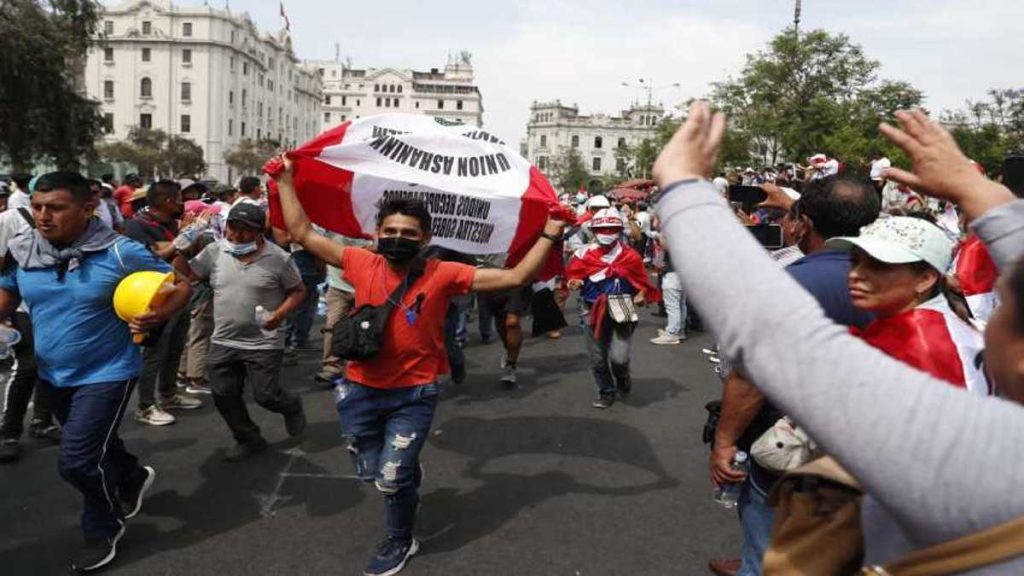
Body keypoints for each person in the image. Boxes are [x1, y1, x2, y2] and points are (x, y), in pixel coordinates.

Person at [654, 102, 1024, 572]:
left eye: (1004, 310)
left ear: (925, 278)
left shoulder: (975, 441)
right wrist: (973, 189)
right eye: (858, 261)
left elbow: (769, 330)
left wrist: (683, 186)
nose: (860, 275)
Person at [273, 155, 566, 576]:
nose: (397, 238)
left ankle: (400, 539)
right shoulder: (360, 262)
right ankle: (404, 469)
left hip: (414, 393)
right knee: (370, 471)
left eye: (408, 233)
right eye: (389, 231)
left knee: (391, 479)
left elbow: (515, 277)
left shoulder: (444, 273)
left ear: (424, 237)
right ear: (376, 233)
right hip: (356, 390)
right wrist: (285, 180)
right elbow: (301, 232)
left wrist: (551, 233)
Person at [0, 171, 192, 572]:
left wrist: (158, 315)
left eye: (55, 208)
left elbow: (180, 285)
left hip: (108, 371)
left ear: (88, 209)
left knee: (77, 460)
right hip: (53, 373)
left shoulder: (120, 252)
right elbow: (7, 293)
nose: (43, 216)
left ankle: (103, 526)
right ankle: (132, 476)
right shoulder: (22, 250)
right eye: (36, 207)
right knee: (96, 444)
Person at [710, 175, 879, 576]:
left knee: (767, 553)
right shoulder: (903, 279)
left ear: (802, 223)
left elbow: (749, 379)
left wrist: (724, 442)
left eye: (791, 218)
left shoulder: (787, 283)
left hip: (791, 445)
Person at [175, 202, 308, 461]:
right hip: (224, 339)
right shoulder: (215, 251)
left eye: (245, 230)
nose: (236, 235)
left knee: (265, 395)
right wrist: (181, 244)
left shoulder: (279, 258)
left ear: (260, 232)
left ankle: (291, 406)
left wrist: (279, 315)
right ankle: (248, 438)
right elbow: (184, 276)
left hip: (264, 341)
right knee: (224, 394)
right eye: (232, 228)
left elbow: (299, 290)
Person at [828, 216, 990, 394]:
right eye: (854, 261)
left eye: (878, 265)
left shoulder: (914, 341)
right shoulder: (930, 326)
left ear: (925, 279)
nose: (855, 274)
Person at [122, 181, 204, 426]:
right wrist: (181, 239)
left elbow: (183, 254)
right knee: (154, 353)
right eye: (179, 199)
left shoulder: (170, 224)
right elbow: (150, 258)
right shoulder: (138, 226)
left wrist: (193, 236)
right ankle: (145, 405)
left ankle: (168, 395)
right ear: (168, 200)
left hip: (179, 293)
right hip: (156, 297)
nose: (182, 204)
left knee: (175, 348)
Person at [566, 207, 658, 409]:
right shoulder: (582, 254)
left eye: (612, 228)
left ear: (619, 229)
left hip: (622, 308)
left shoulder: (630, 256)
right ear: (593, 230)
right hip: (591, 310)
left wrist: (641, 295)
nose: (607, 233)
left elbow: (641, 282)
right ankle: (606, 391)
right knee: (597, 358)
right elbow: (573, 277)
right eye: (603, 228)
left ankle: (622, 377)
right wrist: (574, 283)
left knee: (619, 357)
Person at [0, 199, 61, 463]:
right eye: (39, 206)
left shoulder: (82, 227)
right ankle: (8, 432)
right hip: (21, 306)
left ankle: (42, 421)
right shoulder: (9, 219)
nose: (45, 214)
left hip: (54, 308)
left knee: (48, 363)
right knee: (27, 366)